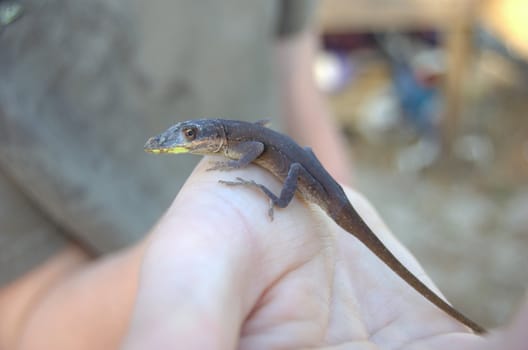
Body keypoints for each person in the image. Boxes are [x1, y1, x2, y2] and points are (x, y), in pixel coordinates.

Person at [0, 0, 350, 347]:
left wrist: (337, 247)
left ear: (216, 135)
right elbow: (25, 318)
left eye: (192, 135)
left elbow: (292, 95)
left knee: (308, 179)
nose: (187, 139)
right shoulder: (232, 137)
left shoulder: (239, 143)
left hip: (314, 214)